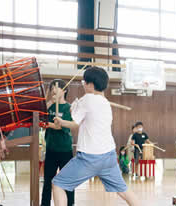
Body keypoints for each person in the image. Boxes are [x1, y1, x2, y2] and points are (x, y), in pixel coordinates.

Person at [51, 66, 140, 206]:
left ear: (91, 85)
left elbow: (74, 123)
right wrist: (74, 109)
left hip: (89, 158)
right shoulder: (105, 103)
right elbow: (83, 118)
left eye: (84, 83)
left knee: (58, 184)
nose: (83, 85)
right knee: (123, 191)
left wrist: (61, 121)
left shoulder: (87, 99)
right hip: (109, 157)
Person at [41, 79, 75, 206]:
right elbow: (41, 115)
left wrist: (46, 124)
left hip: (65, 150)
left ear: (65, 90)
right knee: (47, 181)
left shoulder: (68, 107)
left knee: (68, 180)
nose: (53, 90)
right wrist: (50, 101)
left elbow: (60, 126)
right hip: (50, 149)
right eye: (51, 88)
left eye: (57, 87)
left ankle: (70, 203)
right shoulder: (49, 106)